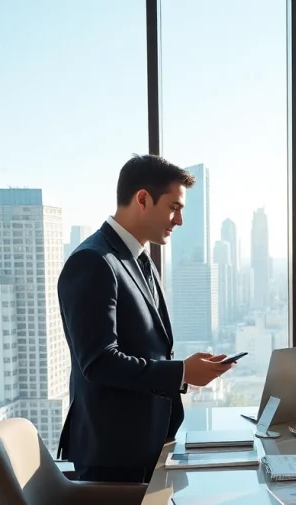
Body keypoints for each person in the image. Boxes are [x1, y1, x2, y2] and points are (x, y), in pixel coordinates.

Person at [56, 154, 234, 484]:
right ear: (142, 198)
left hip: (146, 445)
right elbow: (98, 362)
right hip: (113, 455)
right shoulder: (93, 262)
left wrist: (186, 372)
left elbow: (147, 348)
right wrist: (181, 371)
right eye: (174, 207)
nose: (179, 220)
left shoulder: (140, 258)